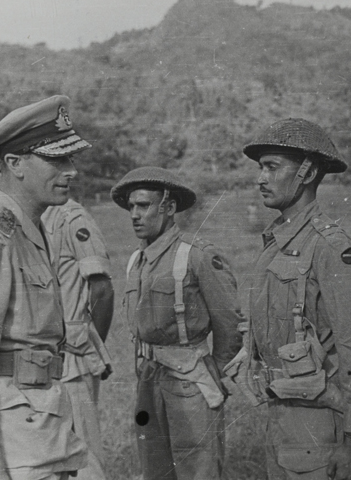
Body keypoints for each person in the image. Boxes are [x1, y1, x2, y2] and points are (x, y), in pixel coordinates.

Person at [226, 118, 351, 480]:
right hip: (281, 415)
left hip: (320, 423)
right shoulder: (275, 245)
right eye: (260, 168)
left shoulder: (328, 246)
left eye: (272, 167)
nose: (260, 179)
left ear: (308, 172)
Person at [0, 95, 91, 480]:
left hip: (37, 434)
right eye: (57, 159)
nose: (71, 170)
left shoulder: (30, 231)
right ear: (15, 164)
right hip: (4, 449)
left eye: (71, 158)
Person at [111, 166, 243, 480]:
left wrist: (215, 377)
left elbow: (231, 325)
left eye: (143, 205)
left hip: (191, 381)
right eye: (131, 206)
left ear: (169, 208)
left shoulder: (196, 256)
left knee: (197, 467)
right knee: (154, 466)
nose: (134, 214)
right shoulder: (136, 260)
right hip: (149, 379)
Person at [41, 198, 114, 480]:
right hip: (42, 355)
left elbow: (103, 290)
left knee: (83, 452)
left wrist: (85, 344)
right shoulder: (34, 217)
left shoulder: (71, 218)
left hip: (72, 356)